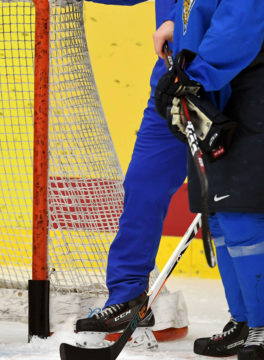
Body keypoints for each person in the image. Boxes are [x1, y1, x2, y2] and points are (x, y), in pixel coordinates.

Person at [73, 0, 187, 348]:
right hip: (173, 86)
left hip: (237, 84)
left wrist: (180, 28)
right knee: (142, 184)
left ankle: (249, 319)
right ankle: (127, 297)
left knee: (236, 207)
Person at [153, 2, 264, 359]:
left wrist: (192, 74)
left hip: (247, 85)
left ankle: (262, 325)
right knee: (217, 212)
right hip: (213, 90)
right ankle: (245, 321)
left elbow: (242, 20)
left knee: (243, 214)